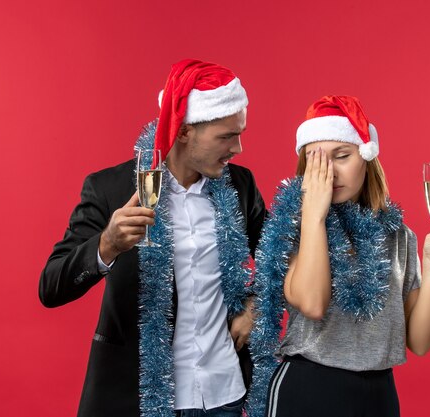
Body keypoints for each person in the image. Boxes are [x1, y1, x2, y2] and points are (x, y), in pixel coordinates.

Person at [39, 59, 266, 417]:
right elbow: (51, 287)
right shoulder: (109, 188)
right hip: (138, 398)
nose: (237, 148)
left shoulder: (240, 186)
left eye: (240, 133)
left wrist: (254, 304)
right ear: (184, 130)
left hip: (224, 393)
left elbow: (279, 259)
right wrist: (107, 245)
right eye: (226, 136)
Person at [247, 96, 430, 417]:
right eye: (317, 161)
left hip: (379, 394)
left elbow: (420, 341)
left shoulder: (399, 236)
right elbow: (313, 304)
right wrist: (315, 217)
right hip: (310, 388)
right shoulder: (293, 226)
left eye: (342, 155)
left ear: (367, 158)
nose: (330, 171)